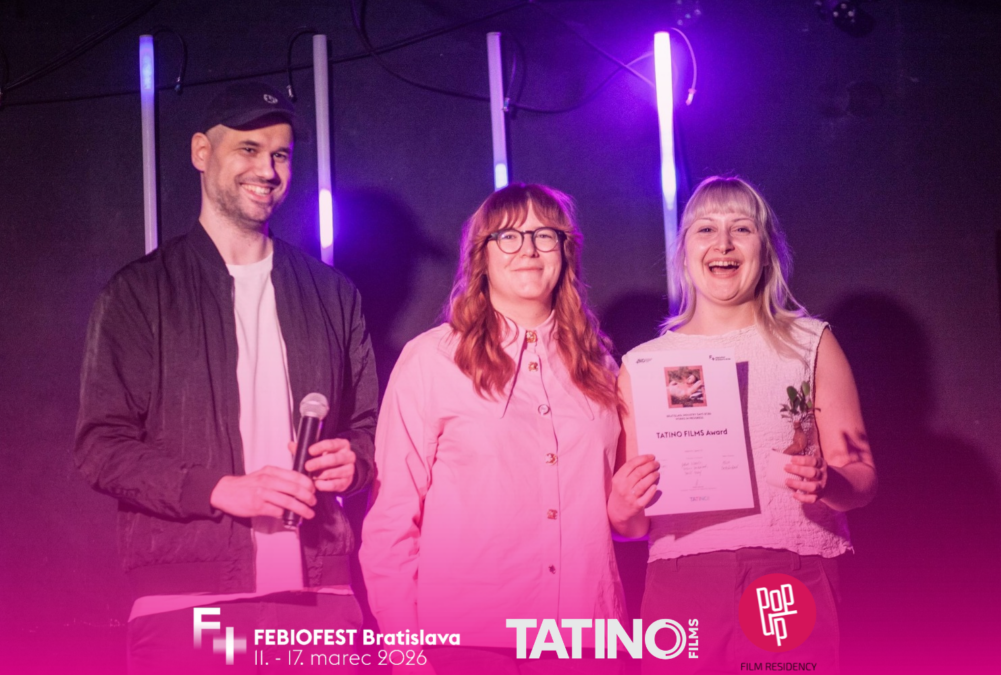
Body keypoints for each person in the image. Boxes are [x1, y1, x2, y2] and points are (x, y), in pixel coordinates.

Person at [74, 82, 378, 673]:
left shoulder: (333, 294)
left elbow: (370, 427)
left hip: (322, 598)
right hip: (189, 605)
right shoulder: (140, 292)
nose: (267, 170)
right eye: (248, 149)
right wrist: (218, 489)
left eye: (281, 154)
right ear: (201, 152)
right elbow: (100, 447)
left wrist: (357, 461)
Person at [609, 176, 877, 674]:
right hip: (682, 582)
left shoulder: (811, 343)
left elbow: (861, 478)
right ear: (684, 251)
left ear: (766, 249)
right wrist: (622, 506)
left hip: (790, 576)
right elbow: (633, 524)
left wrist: (828, 482)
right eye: (706, 229)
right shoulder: (642, 365)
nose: (723, 243)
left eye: (742, 228)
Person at [359, 184, 628, 674]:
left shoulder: (601, 368)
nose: (528, 249)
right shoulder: (432, 360)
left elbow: (618, 510)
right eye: (508, 236)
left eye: (544, 235)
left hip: (586, 639)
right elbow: (391, 518)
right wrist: (403, 651)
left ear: (565, 251)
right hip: (468, 641)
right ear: (480, 255)